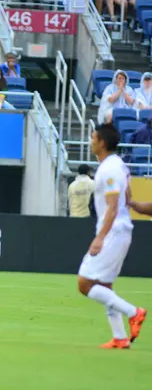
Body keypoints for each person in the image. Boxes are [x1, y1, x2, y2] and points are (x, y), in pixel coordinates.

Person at [77, 124, 146, 349]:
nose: (90, 141)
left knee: (85, 283)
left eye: (93, 137)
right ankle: (119, 337)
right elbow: (127, 197)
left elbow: (113, 207)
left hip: (113, 231)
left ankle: (133, 312)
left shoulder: (109, 169)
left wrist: (100, 237)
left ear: (102, 142)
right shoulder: (117, 165)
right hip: (120, 230)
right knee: (104, 285)